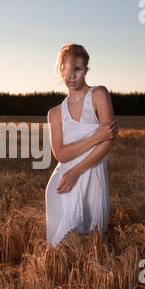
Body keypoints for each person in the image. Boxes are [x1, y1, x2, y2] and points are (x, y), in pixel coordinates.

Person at [45, 43, 118, 248]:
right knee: (62, 250)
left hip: (89, 178)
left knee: (94, 243)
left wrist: (77, 170)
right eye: (66, 69)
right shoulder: (55, 114)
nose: (71, 75)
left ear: (86, 69)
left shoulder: (99, 95)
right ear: (60, 70)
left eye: (77, 69)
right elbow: (61, 154)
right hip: (63, 184)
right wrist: (97, 136)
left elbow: (110, 139)